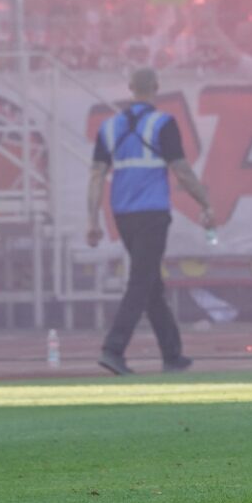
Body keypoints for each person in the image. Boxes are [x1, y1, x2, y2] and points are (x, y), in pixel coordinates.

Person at [87, 67, 215, 375]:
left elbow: (96, 176)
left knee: (151, 284)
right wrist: (206, 203)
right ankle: (113, 349)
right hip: (152, 213)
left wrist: (92, 221)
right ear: (156, 87)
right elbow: (182, 171)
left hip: (122, 214)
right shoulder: (162, 124)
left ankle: (172, 354)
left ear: (130, 87)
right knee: (141, 281)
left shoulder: (109, 127)